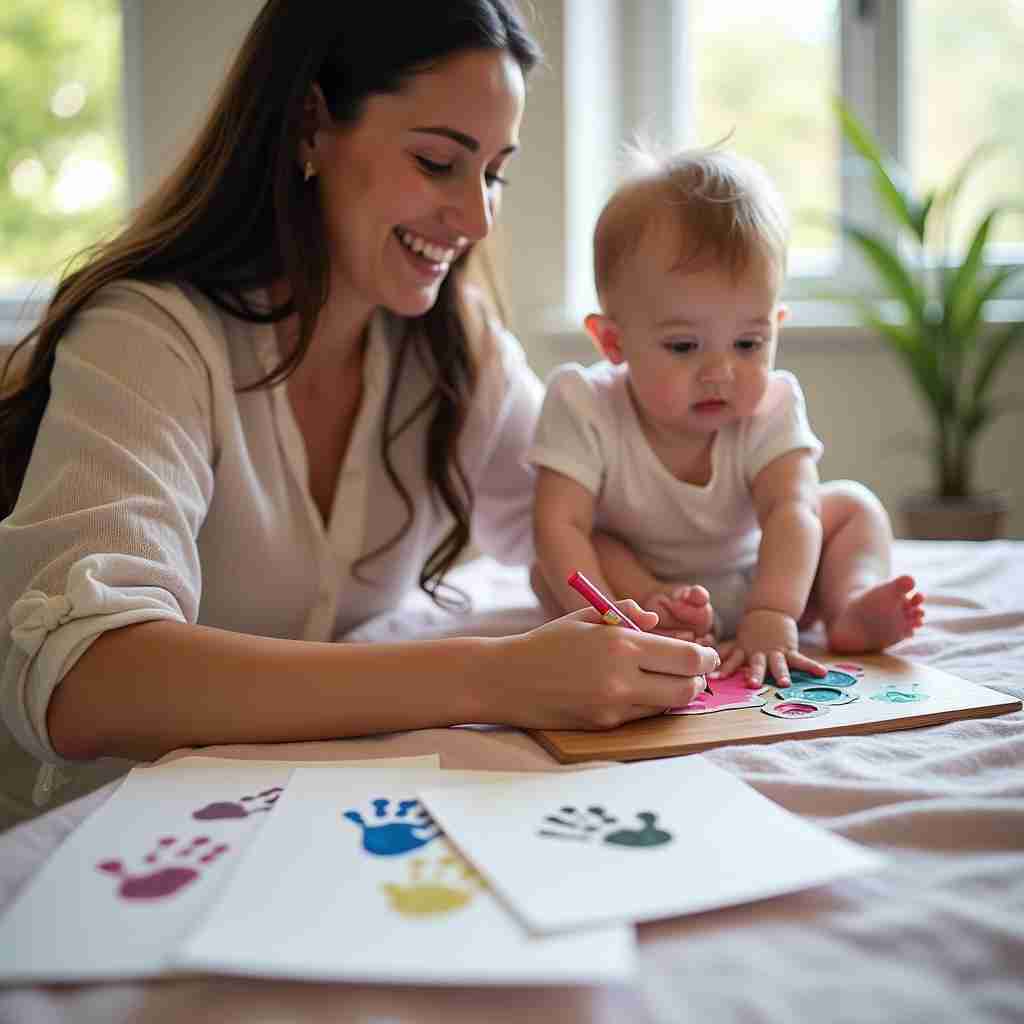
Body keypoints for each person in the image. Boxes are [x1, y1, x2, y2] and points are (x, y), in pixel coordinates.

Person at [0, 1, 718, 829]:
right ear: (310, 125)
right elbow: (84, 679)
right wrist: (488, 677)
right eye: (439, 161)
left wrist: (687, 596)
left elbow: (576, 523)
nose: (478, 219)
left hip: (297, 827)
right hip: (99, 842)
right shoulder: (149, 335)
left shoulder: (455, 353)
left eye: (493, 173)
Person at [528, 145, 924, 689]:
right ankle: (648, 622)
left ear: (775, 327)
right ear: (614, 342)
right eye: (685, 345)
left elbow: (790, 511)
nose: (722, 372)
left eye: (747, 342)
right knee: (565, 560)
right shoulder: (583, 404)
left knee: (850, 506)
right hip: (643, 587)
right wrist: (613, 615)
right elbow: (558, 523)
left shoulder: (773, 405)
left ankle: (848, 604)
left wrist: (772, 614)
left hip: (764, 574)